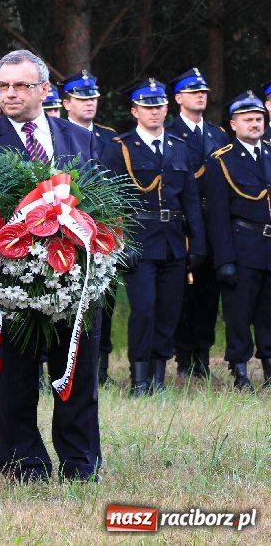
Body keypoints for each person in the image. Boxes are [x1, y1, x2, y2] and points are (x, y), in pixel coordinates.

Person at [0, 49, 101, 483]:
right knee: (14, 380)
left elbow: (99, 203)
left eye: (21, 85)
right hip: (10, 284)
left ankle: (80, 463)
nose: (10, 94)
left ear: (44, 89)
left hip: (74, 280)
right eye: (3, 86)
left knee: (75, 373)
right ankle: (25, 465)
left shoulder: (80, 138)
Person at [102, 78, 205, 397]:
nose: (155, 112)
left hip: (174, 240)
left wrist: (197, 243)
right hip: (139, 241)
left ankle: (159, 377)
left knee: (168, 311)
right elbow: (109, 199)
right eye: (147, 107)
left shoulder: (179, 147)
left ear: (167, 108)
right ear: (135, 111)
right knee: (144, 309)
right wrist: (120, 242)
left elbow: (190, 200)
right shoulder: (121, 147)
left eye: (159, 106)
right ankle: (139, 378)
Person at [203, 91, 271, 390]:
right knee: (239, 313)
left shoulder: (270, 153)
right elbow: (217, 216)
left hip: (269, 246)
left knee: (269, 313)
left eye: (259, 119)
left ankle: (269, 368)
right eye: (248, 120)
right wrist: (225, 260)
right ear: (234, 124)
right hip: (242, 245)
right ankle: (240, 371)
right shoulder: (222, 160)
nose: (255, 125)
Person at [165, 68, 228, 380]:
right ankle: (184, 355)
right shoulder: (169, 134)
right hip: (183, 223)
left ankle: (203, 353)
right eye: (192, 92)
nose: (200, 96)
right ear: (178, 98)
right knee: (183, 292)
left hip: (214, 222)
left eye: (202, 91)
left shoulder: (218, 135)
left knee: (208, 293)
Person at [59, 70, 118, 386]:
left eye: (93, 98)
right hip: (66, 227)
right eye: (82, 99)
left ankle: (102, 365)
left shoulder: (109, 138)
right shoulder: (57, 135)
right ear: (67, 102)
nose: (89, 104)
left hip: (102, 228)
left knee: (103, 299)